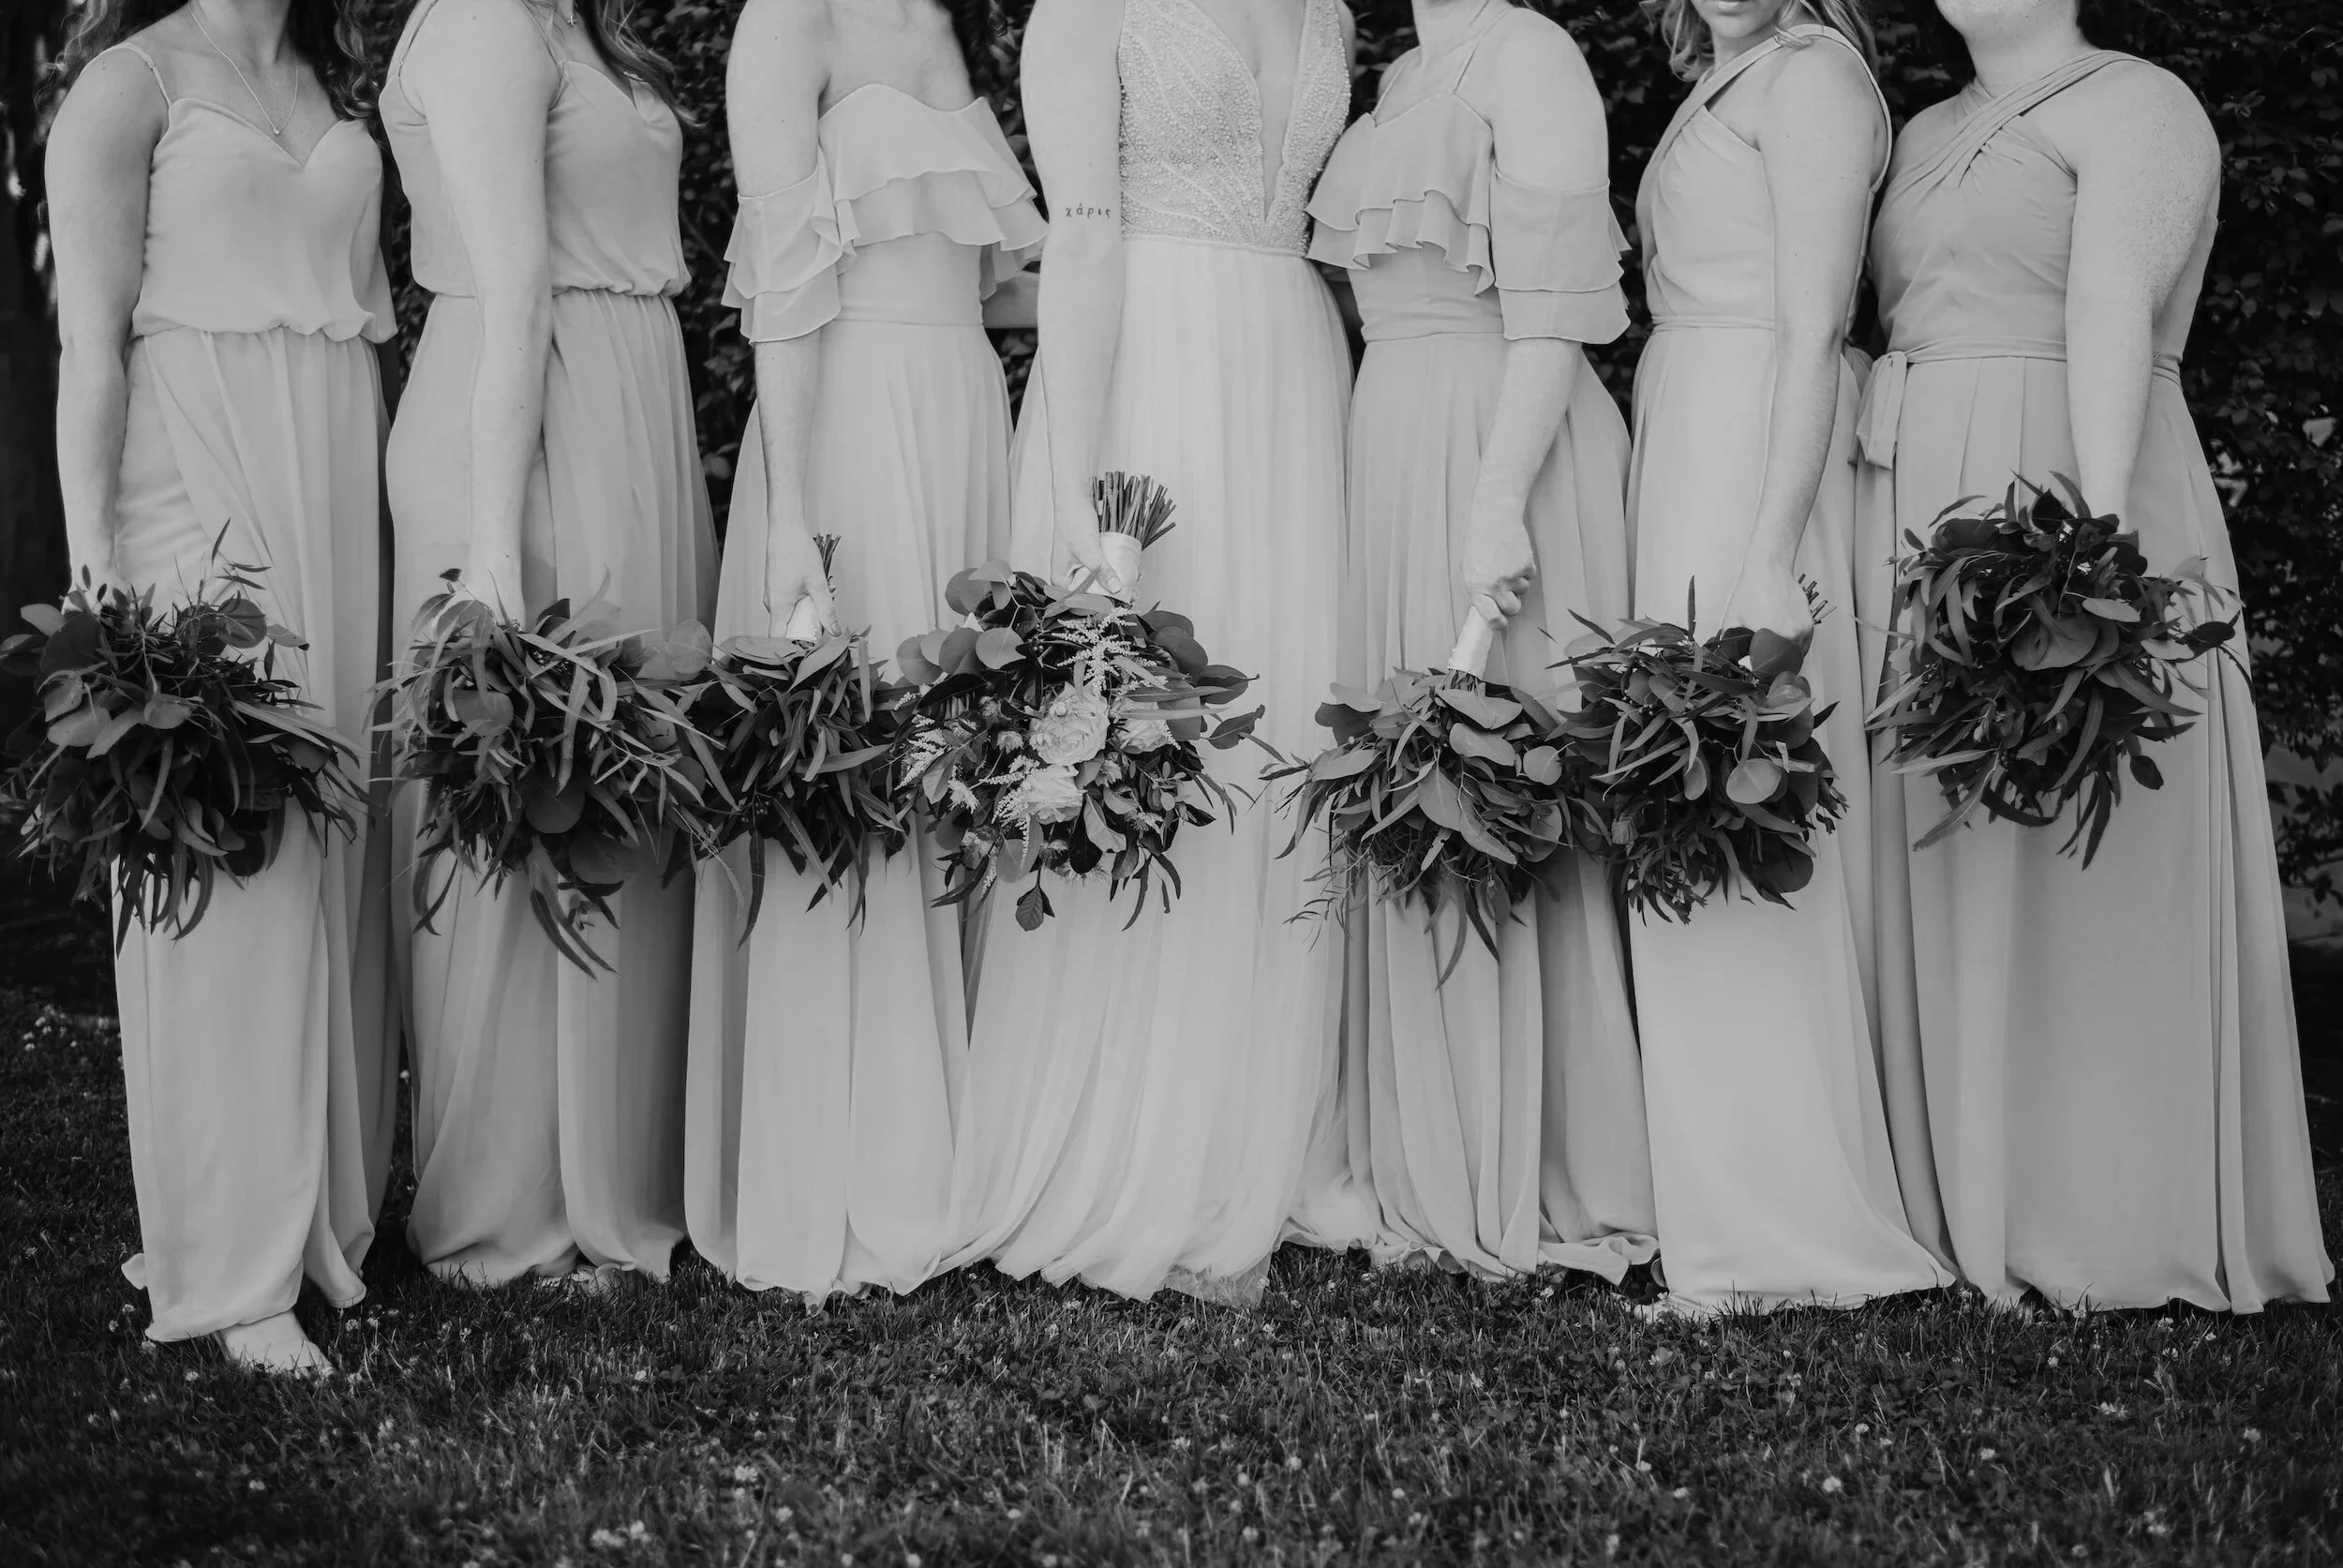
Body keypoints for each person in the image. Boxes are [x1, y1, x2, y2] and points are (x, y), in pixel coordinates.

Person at [1858, 0, 2334, 1313]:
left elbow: (2116, 309)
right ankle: (1960, 1184)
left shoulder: (2140, 103)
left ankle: (2108, 1208)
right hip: (1920, 509)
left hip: (2066, 482)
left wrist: (2094, 547)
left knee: (2091, 837)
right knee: (1954, 836)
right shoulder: (1919, 131)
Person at [941, 0, 1364, 1305]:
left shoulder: (1331, 8)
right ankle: (1119, 1141)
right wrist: (1071, 484)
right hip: (1152, 370)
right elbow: (1079, 228)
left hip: (1293, 372)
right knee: (1152, 727)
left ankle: (1255, 1133)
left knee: (1282, 718)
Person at [46, 0, 399, 1371]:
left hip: (332, 467)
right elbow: (93, 349)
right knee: (229, 852)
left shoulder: (328, 67)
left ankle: (312, 1206)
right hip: (194, 484)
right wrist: (98, 587)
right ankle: (231, 1267)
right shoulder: (125, 87)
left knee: (332, 838)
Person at [682, 0, 1043, 1303]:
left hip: (960, 425)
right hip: (848, 432)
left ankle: (954, 1150)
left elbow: (996, 283)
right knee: (862, 776)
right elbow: (783, 291)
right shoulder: (788, 27)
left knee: (960, 763)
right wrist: (787, 517)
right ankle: (837, 1171)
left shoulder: (944, 30)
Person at [1302, 0, 1655, 1280]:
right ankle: (1425, 1139)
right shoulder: (1399, 77)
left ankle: (1537, 1159)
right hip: (1392, 438)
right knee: (1416, 787)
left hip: (1498, 443)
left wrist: (1498, 500)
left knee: (1504, 786)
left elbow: (1553, 307)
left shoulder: (1532, 57)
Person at [382, 0, 716, 1286]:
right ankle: (504, 1212)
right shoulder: (478, 24)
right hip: (519, 434)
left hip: (624, 401)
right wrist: (494, 563)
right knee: (527, 794)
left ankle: (612, 1182)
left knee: (620, 794)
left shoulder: (582, 27)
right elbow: (516, 282)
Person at [1625, 0, 1950, 1316]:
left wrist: (1769, 548)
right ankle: (1716, 1196)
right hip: (1692, 431)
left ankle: (1782, 1226)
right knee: (1684, 793)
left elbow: (1816, 324)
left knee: (1739, 793)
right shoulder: (1735, 73)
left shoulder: (1814, 77)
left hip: (1752, 459)